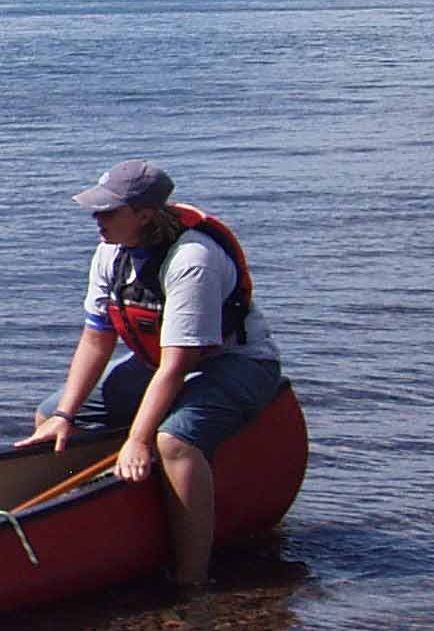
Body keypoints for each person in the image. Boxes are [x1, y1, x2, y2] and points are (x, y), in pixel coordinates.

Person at [18, 159, 284, 585]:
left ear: (143, 214)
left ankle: (191, 577)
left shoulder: (192, 260)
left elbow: (178, 366)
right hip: (160, 364)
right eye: (96, 210)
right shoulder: (111, 252)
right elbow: (96, 338)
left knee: (173, 442)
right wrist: (65, 415)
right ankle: (90, 540)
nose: (97, 219)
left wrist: (139, 441)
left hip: (237, 365)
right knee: (49, 414)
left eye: (108, 211)